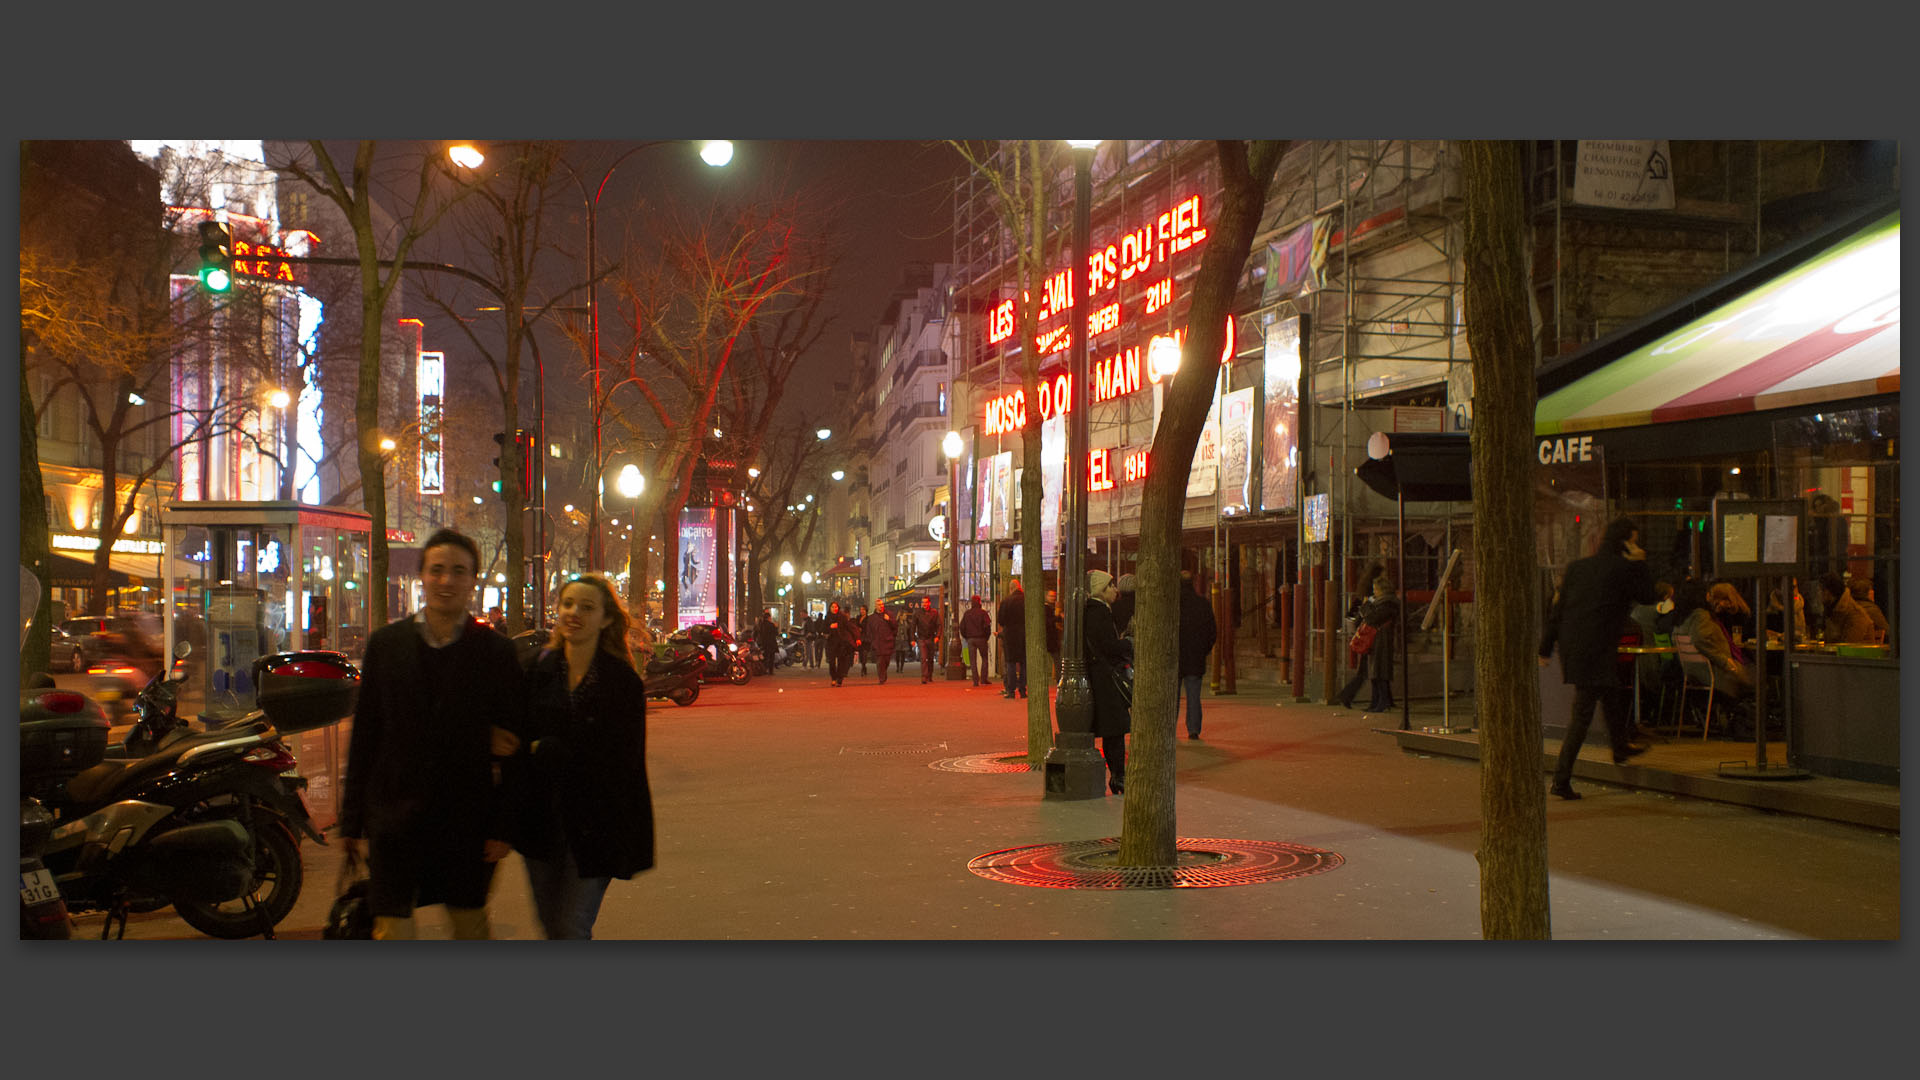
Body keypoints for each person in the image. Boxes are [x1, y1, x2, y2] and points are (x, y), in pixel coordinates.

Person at [340, 528, 527, 940]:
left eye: (458, 571)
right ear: (421, 576)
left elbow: (515, 747)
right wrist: (352, 820)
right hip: (395, 819)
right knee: (393, 930)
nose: (446, 581)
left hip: (466, 822)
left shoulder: (496, 653)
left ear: (472, 580)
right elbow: (366, 735)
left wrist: (503, 827)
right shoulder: (386, 646)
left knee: (470, 927)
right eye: (437, 570)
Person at [512, 574, 653, 939]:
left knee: (571, 926)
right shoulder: (537, 670)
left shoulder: (621, 682)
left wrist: (553, 751)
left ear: (606, 619)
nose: (573, 613)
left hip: (595, 824)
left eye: (587, 607)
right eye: (568, 604)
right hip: (541, 821)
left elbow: (625, 760)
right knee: (551, 926)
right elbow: (519, 739)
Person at [1538, 517, 1656, 801]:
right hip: (1599, 648)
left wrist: (1545, 647)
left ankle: (1620, 748)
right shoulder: (1623, 569)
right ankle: (1561, 779)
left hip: (1576, 647)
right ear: (1626, 541)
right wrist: (1640, 562)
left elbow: (1559, 609)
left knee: (1610, 693)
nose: (1637, 545)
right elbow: (1649, 596)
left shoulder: (1579, 568)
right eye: (1635, 540)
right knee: (1582, 715)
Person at [1082, 570, 1134, 794]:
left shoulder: (1092, 611)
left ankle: (1117, 775)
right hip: (1105, 679)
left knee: (1111, 729)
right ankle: (1118, 776)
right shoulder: (1099, 613)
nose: (1115, 590)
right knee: (1115, 729)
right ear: (1101, 591)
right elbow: (1108, 646)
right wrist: (1128, 644)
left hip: (1098, 675)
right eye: (1111, 586)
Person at [1676, 580, 1756, 700]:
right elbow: (1699, 639)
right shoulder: (1701, 616)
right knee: (1762, 676)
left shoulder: (1683, 619)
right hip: (1719, 676)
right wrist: (1725, 661)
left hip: (1694, 674)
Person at [1333, 573, 1400, 714]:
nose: (1374, 592)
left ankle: (1381, 702)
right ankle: (1377, 702)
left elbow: (1372, 618)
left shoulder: (1388, 603)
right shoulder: (1380, 603)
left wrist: (1366, 606)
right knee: (1373, 673)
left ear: (1382, 589)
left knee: (1379, 672)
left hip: (1382, 641)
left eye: (1376, 589)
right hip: (1373, 641)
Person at [1175, 570, 1218, 739]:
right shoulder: (1203, 603)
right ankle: (1193, 729)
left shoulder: (1172, 604)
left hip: (1175, 656)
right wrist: (1203, 650)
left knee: (1173, 697)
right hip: (1195, 656)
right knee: (1193, 695)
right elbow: (1211, 631)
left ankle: (1170, 727)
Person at [1818, 573, 1875, 644]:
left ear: (1829, 592)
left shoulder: (1855, 614)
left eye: (1821, 590)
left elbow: (1849, 646)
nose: (1819, 593)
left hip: (1859, 654)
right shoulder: (1832, 610)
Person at [996, 580, 1027, 699]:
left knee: (1010, 663)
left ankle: (1011, 690)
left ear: (1010, 589)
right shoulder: (1026, 600)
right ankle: (1023, 689)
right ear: (1019, 587)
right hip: (1024, 634)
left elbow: (1001, 620)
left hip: (1010, 635)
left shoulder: (1006, 601)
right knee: (1024, 663)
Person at [959, 595, 993, 687]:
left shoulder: (967, 614)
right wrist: (986, 637)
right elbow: (987, 627)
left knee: (972, 660)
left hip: (970, 639)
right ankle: (983, 679)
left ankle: (975, 681)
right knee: (984, 658)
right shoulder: (983, 613)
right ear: (979, 602)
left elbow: (962, 627)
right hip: (981, 638)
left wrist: (966, 637)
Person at [862, 602, 897, 684]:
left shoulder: (889, 614)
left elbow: (895, 626)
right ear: (875, 606)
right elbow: (869, 631)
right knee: (880, 661)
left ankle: (883, 673)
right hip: (877, 642)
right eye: (879, 605)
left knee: (886, 660)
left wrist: (889, 620)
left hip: (888, 641)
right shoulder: (871, 618)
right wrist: (872, 640)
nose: (881, 606)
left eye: (882, 605)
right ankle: (882, 677)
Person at [824, 601, 857, 686]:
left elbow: (848, 627)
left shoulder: (842, 617)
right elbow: (823, 629)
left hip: (841, 642)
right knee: (831, 661)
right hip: (831, 642)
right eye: (832, 607)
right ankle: (833, 678)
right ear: (829, 608)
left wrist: (856, 638)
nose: (834, 609)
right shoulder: (827, 617)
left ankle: (839, 678)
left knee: (841, 661)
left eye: (835, 607)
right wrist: (830, 627)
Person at [911, 595, 942, 684]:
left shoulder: (934, 613)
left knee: (930, 658)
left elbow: (939, 625)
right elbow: (913, 626)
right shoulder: (917, 613)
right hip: (921, 638)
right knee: (924, 658)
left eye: (925, 602)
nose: (924, 604)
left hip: (931, 638)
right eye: (922, 602)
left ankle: (929, 675)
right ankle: (924, 676)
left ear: (929, 603)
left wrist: (937, 636)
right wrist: (912, 639)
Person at [1044, 589, 1063, 684]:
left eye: (1054, 596)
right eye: (1051, 596)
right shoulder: (1046, 608)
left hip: (1052, 637)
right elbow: (1049, 621)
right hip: (1049, 637)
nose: (1052, 598)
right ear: (1046, 596)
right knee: (1056, 659)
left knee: (1057, 659)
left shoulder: (1052, 608)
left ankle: (1059, 678)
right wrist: (1056, 616)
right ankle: (1058, 678)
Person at [754, 609, 779, 675]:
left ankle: (764, 670)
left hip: (763, 643)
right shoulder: (771, 625)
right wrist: (776, 627)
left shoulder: (760, 625)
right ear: (769, 618)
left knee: (764, 657)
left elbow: (756, 633)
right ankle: (770, 671)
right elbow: (776, 633)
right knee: (771, 658)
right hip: (771, 644)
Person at [853, 604, 871, 675]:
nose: (862, 611)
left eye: (863, 610)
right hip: (859, 637)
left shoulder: (868, 618)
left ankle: (863, 667)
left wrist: (862, 629)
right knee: (861, 653)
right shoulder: (858, 617)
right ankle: (863, 666)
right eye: (861, 610)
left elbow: (868, 627)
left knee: (865, 653)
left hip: (866, 638)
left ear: (866, 611)